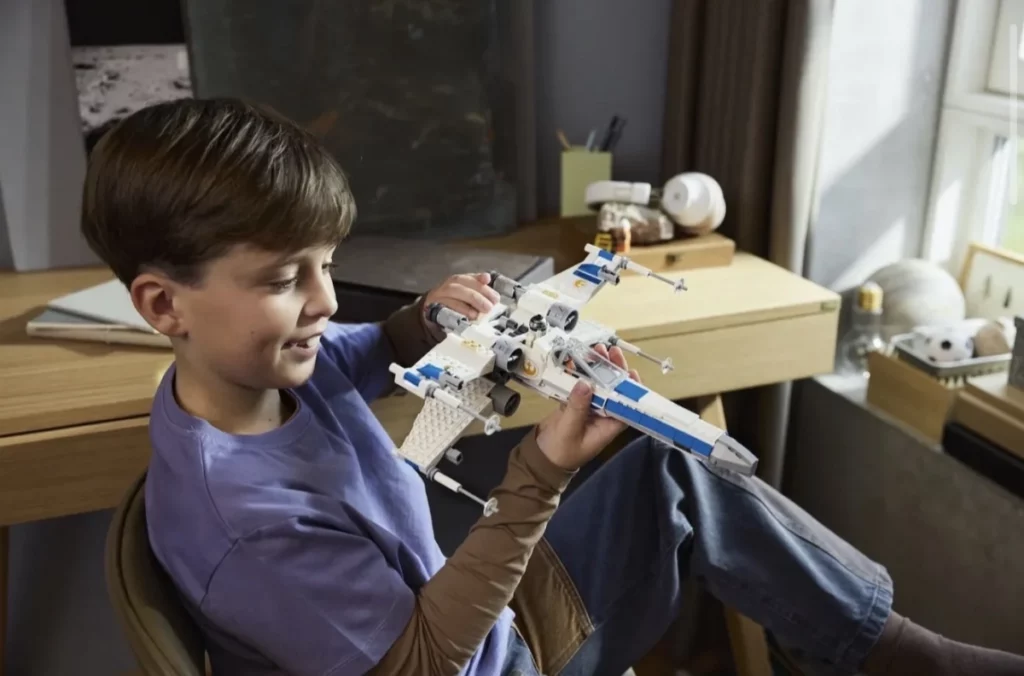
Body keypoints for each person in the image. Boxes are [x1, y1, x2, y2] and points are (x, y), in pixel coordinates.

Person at [81, 98, 1024, 676]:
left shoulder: (251, 378)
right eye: (286, 279)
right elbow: (424, 664)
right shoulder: (246, 523)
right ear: (164, 304)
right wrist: (537, 475)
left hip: (470, 622)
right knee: (670, 473)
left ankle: (880, 649)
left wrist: (421, 319)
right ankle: (887, 654)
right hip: (470, 661)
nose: (325, 301)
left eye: (327, 263)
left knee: (673, 462)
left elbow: (359, 354)